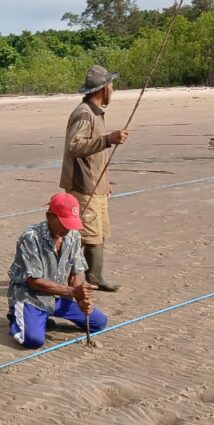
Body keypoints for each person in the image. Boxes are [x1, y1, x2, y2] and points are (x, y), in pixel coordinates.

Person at [60, 65, 129, 292]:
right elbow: (74, 146)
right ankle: (81, 277)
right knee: (86, 235)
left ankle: (93, 275)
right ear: (102, 89)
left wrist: (104, 182)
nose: (113, 89)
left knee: (99, 232)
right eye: (111, 85)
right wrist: (109, 139)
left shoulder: (95, 112)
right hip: (82, 186)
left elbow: (96, 156)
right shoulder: (83, 113)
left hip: (95, 185)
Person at [7, 193, 108, 348]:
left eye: (71, 224)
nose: (68, 229)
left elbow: (76, 273)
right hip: (31, 297)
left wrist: (82, 299)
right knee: (33, 340)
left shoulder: (73, 235)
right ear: (49, 216)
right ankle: (18, 315)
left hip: (59, 297)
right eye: (64, 223)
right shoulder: (31, 237)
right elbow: (34, 282)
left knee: (98, 323)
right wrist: (74, 292)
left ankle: (43, 317)